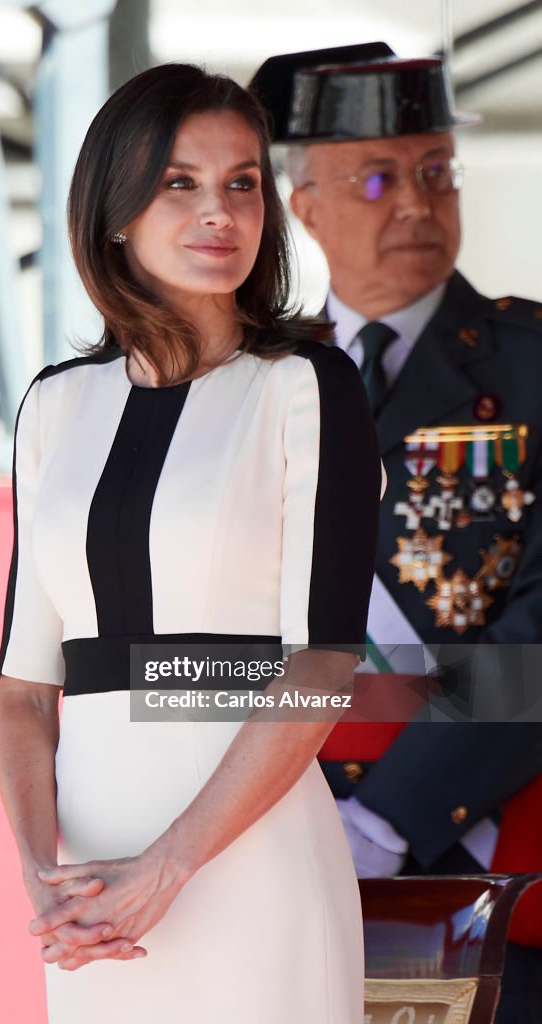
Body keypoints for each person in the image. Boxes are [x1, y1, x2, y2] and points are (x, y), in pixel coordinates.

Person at [0, 63, 382, 1024]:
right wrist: (43, 879)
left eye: (241, 183)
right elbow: (25, 693)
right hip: (89, 901)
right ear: (115, 210)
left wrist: (168, 866)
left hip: (252, 869)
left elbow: (324, 662)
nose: (220, 211)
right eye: (181, 182)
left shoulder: (306, 387)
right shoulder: (53, 405)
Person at [251, 44, 542, 1023]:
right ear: (305, 206)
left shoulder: (531, 369)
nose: (414, 204)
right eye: (376, 179)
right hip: (276, 853)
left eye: (434, 174)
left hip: (483, 871)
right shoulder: (246, 387)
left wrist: (381, 821)